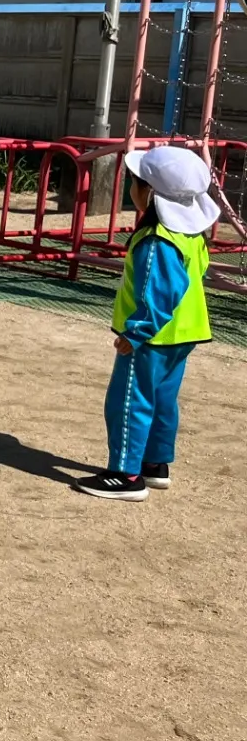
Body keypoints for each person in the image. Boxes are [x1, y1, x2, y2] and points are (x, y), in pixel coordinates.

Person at [74, 146, 218, 502]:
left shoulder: (156, 241)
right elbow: (195, 274)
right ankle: (155, 464)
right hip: (185, 333)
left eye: (134, 183)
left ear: (149, 194)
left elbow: (157, 293)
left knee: (128, 401)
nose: (131, 189)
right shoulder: (190, 234)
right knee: (163, 399)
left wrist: (135, 333)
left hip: (150, 337)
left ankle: (125, 474)